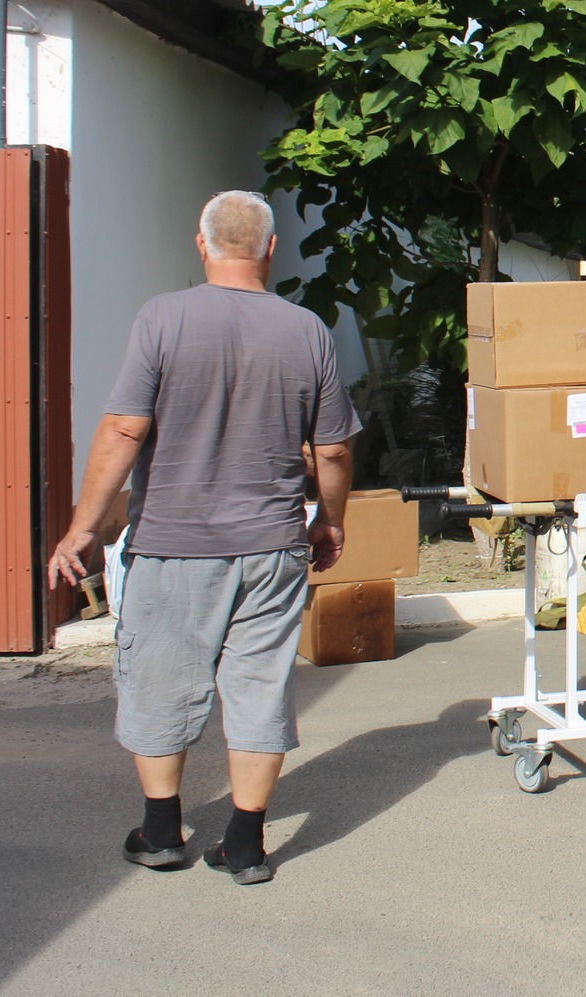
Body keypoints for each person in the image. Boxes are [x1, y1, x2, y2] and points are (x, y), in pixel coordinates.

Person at [45, 191, 359, 885]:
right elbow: (332, 450)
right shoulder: (305, 329)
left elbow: (125, 428)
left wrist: (82, 527)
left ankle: (161, 831)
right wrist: (329, 520)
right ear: (270, 249)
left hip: (171, 541)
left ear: (201, 243)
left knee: (159, 679)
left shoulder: (162, 317)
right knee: (258, 685)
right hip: (272, 544)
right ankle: (245, 844)